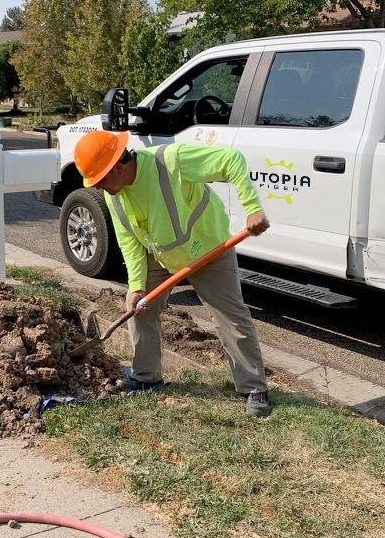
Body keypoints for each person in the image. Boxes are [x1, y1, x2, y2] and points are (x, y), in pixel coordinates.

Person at [74, 129, 273, 417]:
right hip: (162, 254)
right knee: (140, 308)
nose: (100, 187)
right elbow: (129, 242)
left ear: (118, 164)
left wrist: (252, 208)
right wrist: (137, 286)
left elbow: (231, 160)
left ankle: (254, 387)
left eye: (102, 178)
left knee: (230, 317)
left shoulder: (171, 160)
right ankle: (146, 378)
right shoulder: (113, 197)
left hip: (207, 248)